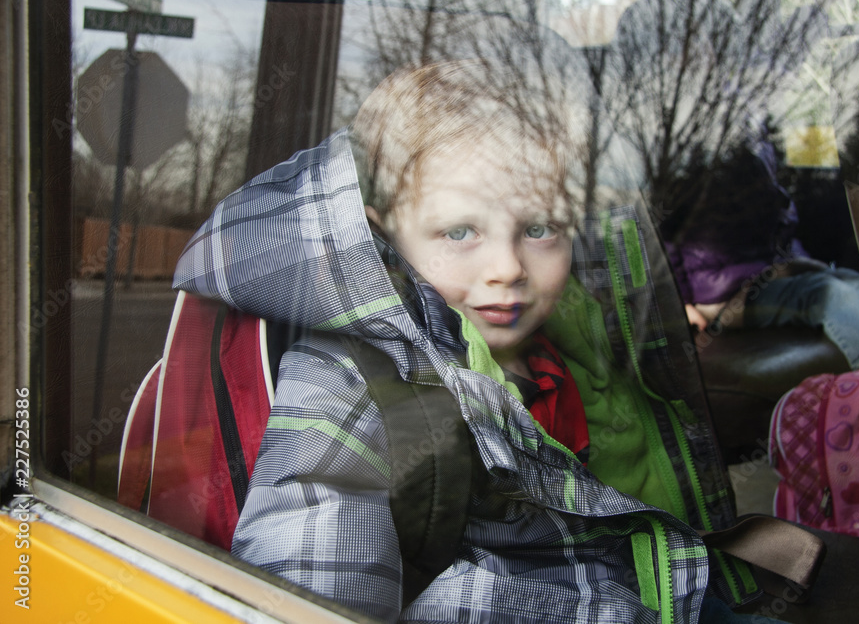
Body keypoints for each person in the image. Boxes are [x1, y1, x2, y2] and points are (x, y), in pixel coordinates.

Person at [172, 60, 775, 622]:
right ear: (382, 235)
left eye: (539, 228)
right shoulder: (346, 386)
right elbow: (313, 584)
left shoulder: (575, 344)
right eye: (460, 231)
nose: (508, 266)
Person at [666, 146, 859, 370]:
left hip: (762, 281)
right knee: (825, 291)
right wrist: (685, 305)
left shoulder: (765, 201)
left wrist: (809, 264)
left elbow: (784, 245)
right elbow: (667, 250)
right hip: (722, 300)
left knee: (851, 279)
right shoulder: (701, 202)